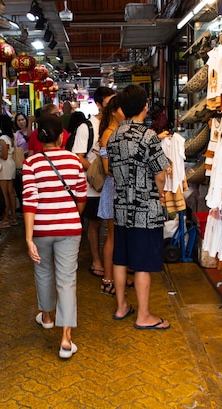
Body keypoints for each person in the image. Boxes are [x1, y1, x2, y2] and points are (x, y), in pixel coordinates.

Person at [22, 114, 87, 359]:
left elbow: (30, 201)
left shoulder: (31, 164)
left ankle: (47, 317)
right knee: (67, 280)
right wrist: (71, 215)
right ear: (62, 136)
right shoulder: (73, 160)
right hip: (70, 229)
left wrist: (28, 238)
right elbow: (81, 196)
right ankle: (66, 340)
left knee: (43, 271)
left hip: (40, 229)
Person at [107, 84, 171, 330]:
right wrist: (161, 194)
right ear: (145, 106)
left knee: (121, 258)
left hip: (121, 206)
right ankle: (143, 315)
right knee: (143, 262)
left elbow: (112, 170)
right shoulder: (148, 136)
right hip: (145, 208)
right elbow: (161, 173)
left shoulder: (114, 136)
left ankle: (121, 306)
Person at [71, 86, 115, 278]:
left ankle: (113, 263)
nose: (113, 108)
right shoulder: (87, 127)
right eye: (108, 104)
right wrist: (98, 171)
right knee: (95, 224)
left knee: (113, 225)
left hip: (112, 185)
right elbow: (77, 156)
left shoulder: (117, 126)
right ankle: (96, 260)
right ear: (98, 105)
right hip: (94, 186)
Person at [97, 96, 125, 295]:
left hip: (119, 186)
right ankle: (108, 278)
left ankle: (117, 276)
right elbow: (108, 169)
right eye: (123, 109)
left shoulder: (118, 131)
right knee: (112, 235)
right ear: (114, 111)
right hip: (114, 186)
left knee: (118, 235)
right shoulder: (108, 134)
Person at [0, 114, 17, 228]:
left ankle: (5, 218)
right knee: (11, 192)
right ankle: (13, 217)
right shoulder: (11, 137)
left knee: (4, 193)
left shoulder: (3, 139)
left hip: (3, 166)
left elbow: (3, 156)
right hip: (11, 165)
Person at [14, 113, 31, 209]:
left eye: (23, 119)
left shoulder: (30, 132)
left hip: (29, 159)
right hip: (20, 161)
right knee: (19, 185)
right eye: (19, 120)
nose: (21, 122)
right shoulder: (16, 134)